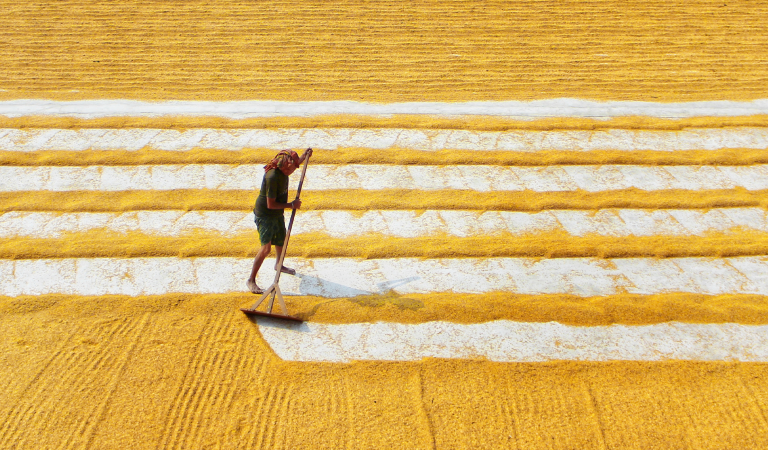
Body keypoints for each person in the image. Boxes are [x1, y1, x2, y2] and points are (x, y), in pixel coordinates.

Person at [246, 148, 312, 294]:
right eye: (292, 168)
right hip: (265, 214)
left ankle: (278, 264)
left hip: (277, 213)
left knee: (281, 240)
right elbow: (271, 204)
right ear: (285, 165)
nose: (293, 171)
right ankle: (251, 280)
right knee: (266, 249)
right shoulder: (272, 177)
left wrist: (304, 156)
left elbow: (296, 162)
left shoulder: (284, 169)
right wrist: (291, 205)